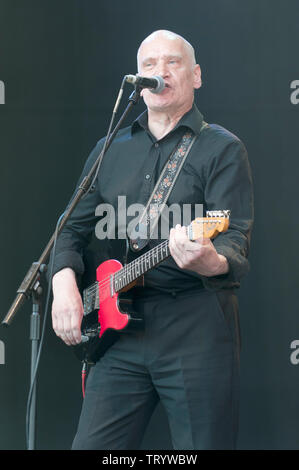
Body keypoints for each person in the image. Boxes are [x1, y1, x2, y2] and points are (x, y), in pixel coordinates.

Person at [51, 30, 254, 450]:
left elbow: (234, 239)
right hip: (119, 333)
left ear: (196, 76)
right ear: (137, 80)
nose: (159, 72)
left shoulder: (222, 148)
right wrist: (63, 286)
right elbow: (69, 228)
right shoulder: (109, 149)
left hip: (195, 328)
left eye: (172, 63)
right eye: (148, 65)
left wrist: (208, 258)